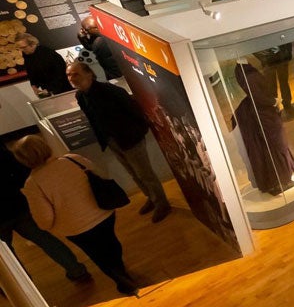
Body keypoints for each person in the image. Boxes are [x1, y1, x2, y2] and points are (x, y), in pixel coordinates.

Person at [13, 135, 138, 296]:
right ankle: (121, 269)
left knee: (97, 254)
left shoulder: (33, 184)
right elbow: (99, 175)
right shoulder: (73, 159)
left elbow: (44, 219)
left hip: (76, 228)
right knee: (111, 242)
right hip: (102, 213)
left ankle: (123, 280)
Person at [67, 61, 170, 222]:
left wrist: (138, 132)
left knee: (145, 173)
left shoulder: (110, 91)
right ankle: (152, 197)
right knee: (134, 173)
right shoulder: (81, 96)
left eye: (75, 74)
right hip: (112, 140)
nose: (71, 78)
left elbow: (135, 111)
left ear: (88, 73)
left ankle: (162, 203)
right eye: (69, 75)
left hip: (130, 138)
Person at [2, 140, 91, 283]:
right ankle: (76, 270)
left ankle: (24, 287)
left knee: (6, 258)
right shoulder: (4, 152)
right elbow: (19, 169)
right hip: (18, 205)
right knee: (45, 239)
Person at [15, 33, 71, 97]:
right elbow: (30, 72)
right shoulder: (27, 56)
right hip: (47, 90)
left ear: (32, 44)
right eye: (20, 48)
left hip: (63, 89)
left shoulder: (48, 53)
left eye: (24, 47)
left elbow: (61, 73)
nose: (21, 50)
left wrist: (50, 89)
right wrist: (34, 86)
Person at [77, 16, 122, 80]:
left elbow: (91, 47)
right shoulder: (102, 37)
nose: (85, 32)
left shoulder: (99, 42)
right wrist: (81, 38)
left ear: (96, 28)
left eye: (86, 29)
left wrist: (82, 38)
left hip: (115, 74)